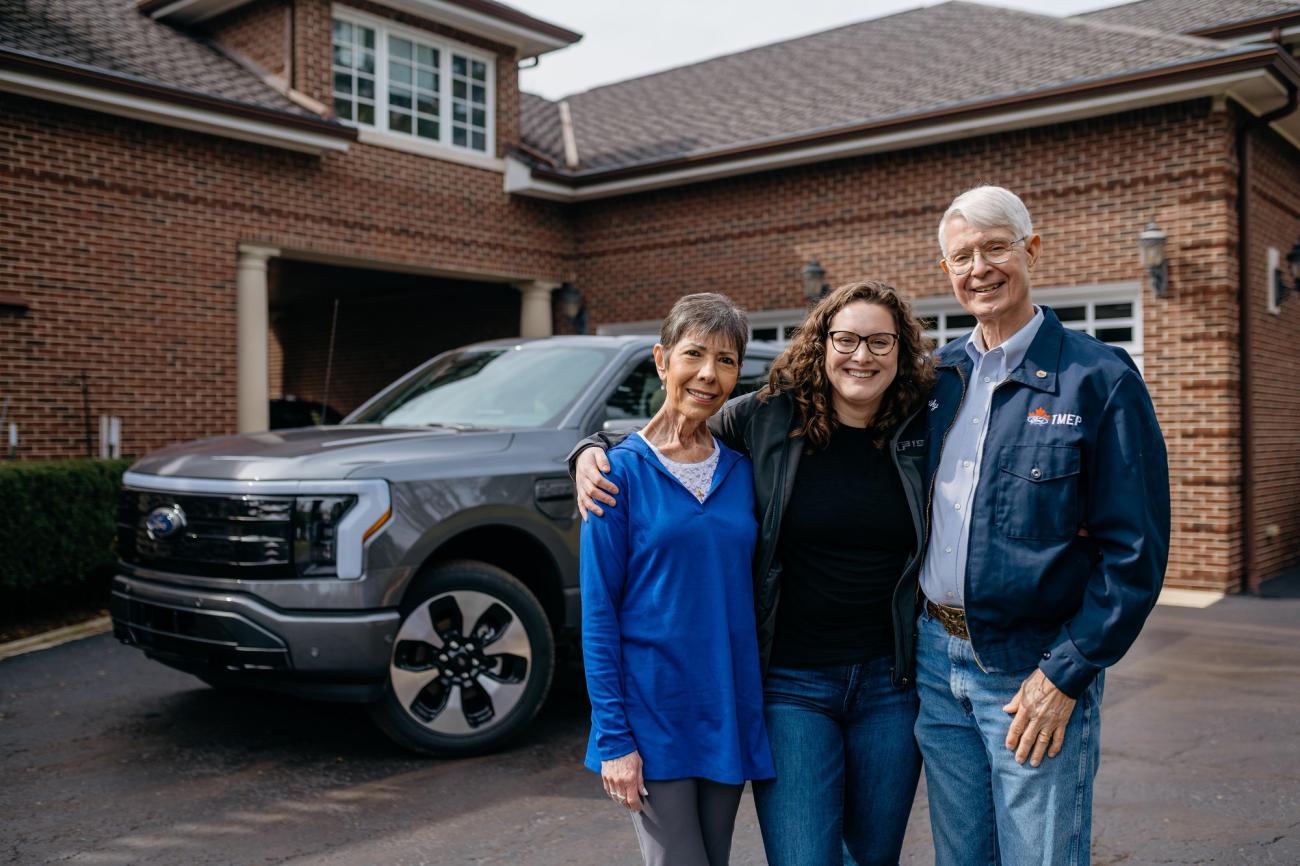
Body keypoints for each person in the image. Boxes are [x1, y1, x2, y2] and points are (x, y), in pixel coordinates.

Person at [575, 280, 935, 866]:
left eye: (879, 342)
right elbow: (662, 440)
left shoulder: (923, 425)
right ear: (821, 346)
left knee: (871, 856)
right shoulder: (764, 423)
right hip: (777, 689)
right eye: (845, 339)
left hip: (872, 686)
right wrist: (588, 451)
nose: (861, 355)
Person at [916, 185, 1170, 865]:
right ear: (947, 273)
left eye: (995, 248)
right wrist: (593, 452)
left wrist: (1067, 672)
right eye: (961, 257)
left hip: (1031, 671)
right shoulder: (937, 379)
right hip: (936, 664)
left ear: (1031, 250)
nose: (979, 268)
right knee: (962, 856)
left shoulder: (1099, 377)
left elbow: (1134, 553)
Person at [580, 292, 774, 866]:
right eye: (695, 354)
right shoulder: (615, 474)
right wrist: (614, 740)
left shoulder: (743, 470)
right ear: (662, 361)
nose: (709, 375)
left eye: (727, 361)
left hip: (727, 710)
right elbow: (597, 616)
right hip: (652, 717)